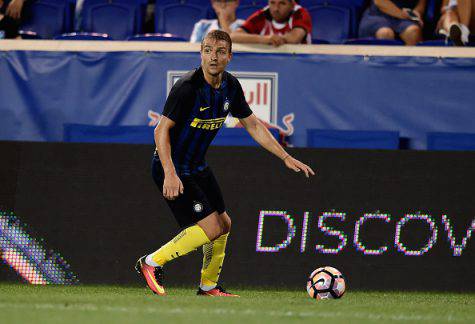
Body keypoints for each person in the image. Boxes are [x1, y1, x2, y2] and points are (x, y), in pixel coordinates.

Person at [135, 30, 315, 297]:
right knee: (211, 228)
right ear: (201, 53)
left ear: (229, 56)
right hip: (171, 167)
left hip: (197, 167)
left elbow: (253, 124)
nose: (213, 57)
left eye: (220, 51)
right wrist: (170, 174)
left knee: (224, 224)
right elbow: (160, 130)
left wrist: (285, 156)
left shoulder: (231, 87)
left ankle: (208, 286)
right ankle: (151, 262)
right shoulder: (187, 88)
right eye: (207, 50)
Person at [230, 0, 312, 46]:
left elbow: (294, 38)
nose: (276, 8)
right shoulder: (262, 14)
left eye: (282, 3)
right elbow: (233, 36)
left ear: (292, 4)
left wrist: (277, 39)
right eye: (272, 2)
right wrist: (266, 39)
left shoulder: (300, 13)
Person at [358, 0, 426, 45]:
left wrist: (417, 11)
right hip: (378, 14)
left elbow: (421, 2)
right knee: (385, 33)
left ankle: (412, 65)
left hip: (405, 16)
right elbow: (380, 2)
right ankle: (385, 66)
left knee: (413, 31)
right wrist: (403, 14)